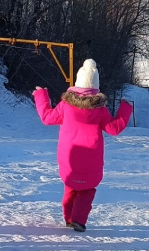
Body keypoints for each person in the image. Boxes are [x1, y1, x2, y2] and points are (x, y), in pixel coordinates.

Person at [33, 59, 133, 232]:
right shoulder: (99, 110)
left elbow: (47, 118)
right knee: (86, 190)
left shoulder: (66, 106)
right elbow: (113, 129)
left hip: (69, 159)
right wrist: (125, 108)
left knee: (70, 187)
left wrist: (42, 95)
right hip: (91, 161)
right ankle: (78, 220)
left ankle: (69, 218)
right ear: (96, 87)